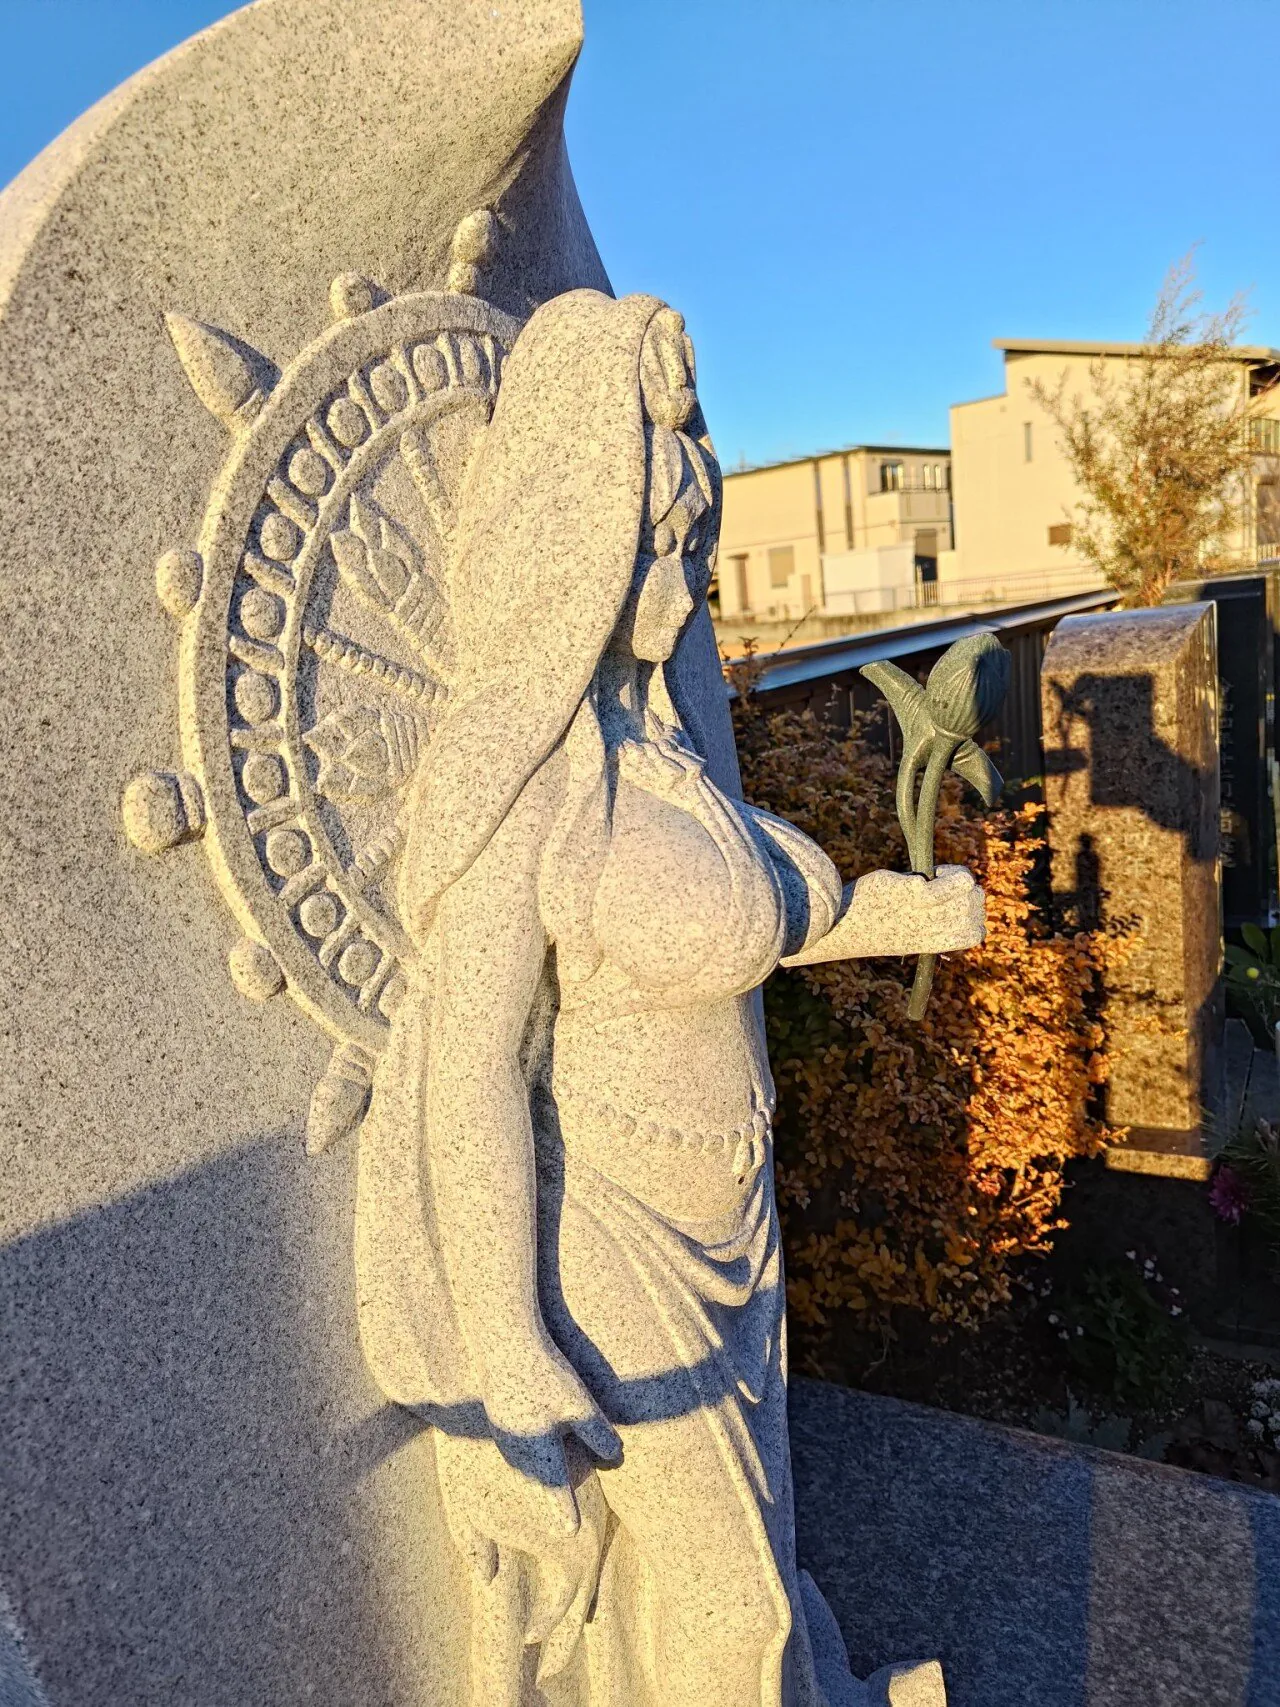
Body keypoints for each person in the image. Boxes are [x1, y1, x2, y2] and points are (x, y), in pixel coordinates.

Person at [354, 289, 978, 1705]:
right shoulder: (531, 785)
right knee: (726, 1598)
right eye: (654, 552)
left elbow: (774, 917)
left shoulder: (668, 753)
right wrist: (507, 1337)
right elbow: (471, 1067)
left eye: (691, 549)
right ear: (575, 542)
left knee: (758, 1553)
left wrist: (911, 913)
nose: (684, 593)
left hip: (734, 1218)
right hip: (617, 1233)